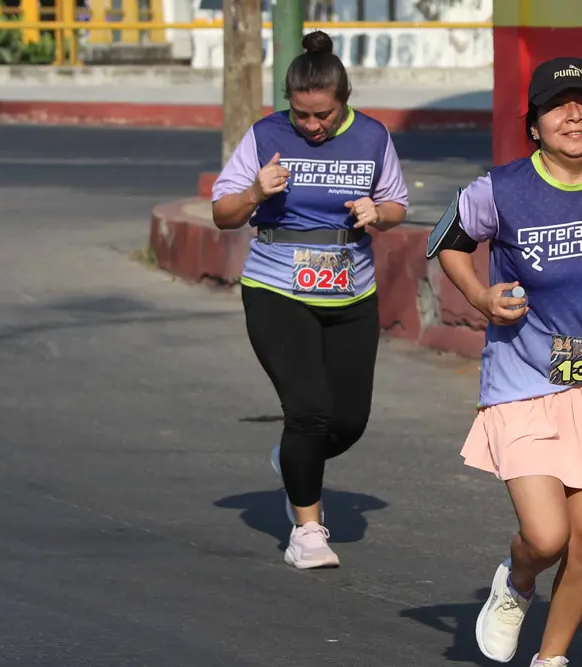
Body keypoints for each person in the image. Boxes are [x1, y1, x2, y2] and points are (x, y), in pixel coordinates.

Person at [427, 57, 582, 666]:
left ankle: (552, 658)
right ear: (533, 124)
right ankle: (516, 582)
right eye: (557, 105)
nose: (573, 115)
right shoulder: (501, 188)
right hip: (522, 381)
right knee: (547, 536)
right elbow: (448, 244)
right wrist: (482, 296)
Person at [210, 30, 409, 570]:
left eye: (323, 115)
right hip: (277, 286)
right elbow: (223, 213)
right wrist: (255, 191)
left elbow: (396, 205)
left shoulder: (372, 137)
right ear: (289, 104)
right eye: (302, 115)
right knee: (309, 411)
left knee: (347, 422)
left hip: (351, 288)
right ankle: (307, 531)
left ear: (343, 103)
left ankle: (293, 459)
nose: (312, 126)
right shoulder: (264, 135)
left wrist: (377, 213)